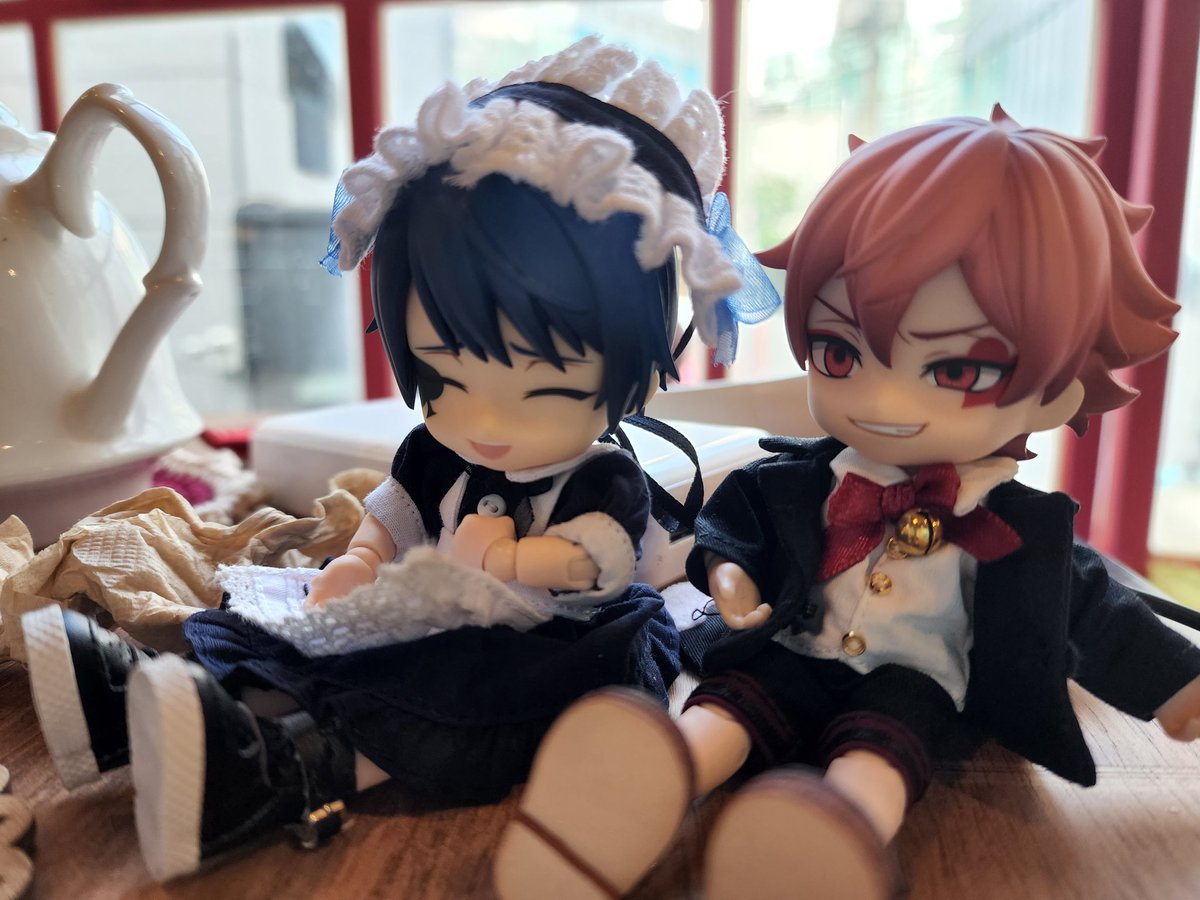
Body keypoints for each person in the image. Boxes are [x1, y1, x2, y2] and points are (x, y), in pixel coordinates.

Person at [21, 36, 777, 882]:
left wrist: (516, 560)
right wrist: (360, 556)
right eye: (445, 377)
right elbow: (397, 509)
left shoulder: (602, 478)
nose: (483, 422)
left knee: (444, 698)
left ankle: (290, 771)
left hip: (549, 639)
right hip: (426, 604)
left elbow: (596, 564)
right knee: (304, 628)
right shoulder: (433, 448)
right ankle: (140, 706)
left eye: (545, 390)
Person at [494, 106, 1200, 900]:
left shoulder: (1016, 527)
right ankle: (647, 784)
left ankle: (824, 841)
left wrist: (1179, 686)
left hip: (914, 680)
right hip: (793, 647)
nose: (882, 399)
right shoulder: (808, 479)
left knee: (880, 751)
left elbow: (1098, 611)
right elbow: (740, 526)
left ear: (1056, 394)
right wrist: (731, 577)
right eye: (840, 352)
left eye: (957, 371)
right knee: (730, 707)